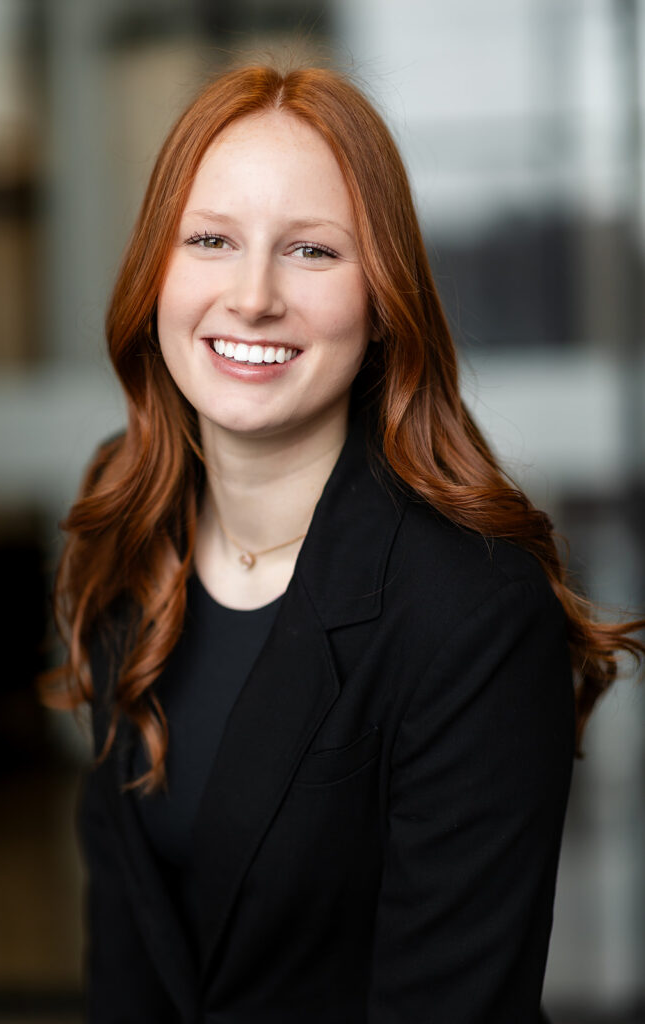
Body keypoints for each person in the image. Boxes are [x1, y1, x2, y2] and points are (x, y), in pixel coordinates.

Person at [43, 65, 644, 1023]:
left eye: (311, 252)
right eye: (210, 240)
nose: (251, 296)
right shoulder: (126, 524)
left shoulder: (470, 611)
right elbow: (130, 950)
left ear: (381, 301)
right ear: (156, 269)